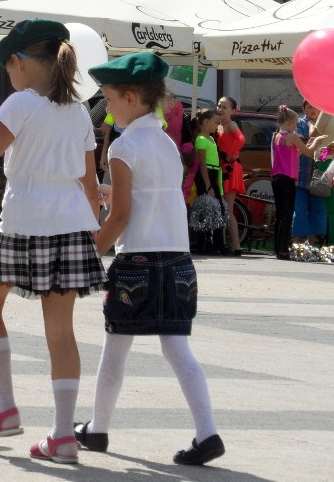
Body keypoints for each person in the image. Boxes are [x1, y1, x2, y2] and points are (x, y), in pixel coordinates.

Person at [0, 20, 105, 465]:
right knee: (61, 332)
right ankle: (62, 435)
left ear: (18, 63)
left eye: (8, 66)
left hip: (23, 222)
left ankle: (4, 408)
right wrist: (90, 234)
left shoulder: (19, 103)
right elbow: (90, 185)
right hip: (72, 225)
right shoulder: (78, 111)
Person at [78, 51, 225, 466]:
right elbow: (150, 197)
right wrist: (111, 194)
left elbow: (122, 215)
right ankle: (207, 431)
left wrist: (93, 251)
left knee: (114, 349)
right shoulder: (163, 142)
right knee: (179, 350)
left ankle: (98, 428)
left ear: (129, 97)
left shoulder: (123, 148)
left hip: (137, 263)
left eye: (108, 98)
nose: (105, 107)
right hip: (178, 261)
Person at [271, 105, 323, 260]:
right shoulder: (292, 136)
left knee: (281, 214)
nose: (296, 126)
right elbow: (308, 152)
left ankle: (278, 247)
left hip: (276, 178)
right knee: (287, 214)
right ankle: (283, 250)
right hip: (287, 178)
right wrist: (317, 141)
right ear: (289, 123)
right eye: (294, 123)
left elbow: (296, 152)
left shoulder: (276, 136)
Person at [293, 100, 327, 245]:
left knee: (317, 210)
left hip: (317, 176)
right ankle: (296, 243)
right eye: (309, 107)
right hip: (301, 174)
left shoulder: (323, 126)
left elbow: (324, 150)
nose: (313, 110)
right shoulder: (300, 124)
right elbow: (301, 146)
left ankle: (311, 244)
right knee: (299, 210)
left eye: (316, 107)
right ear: (303, 108)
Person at [192, 108, 224, 254]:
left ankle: (216, 243)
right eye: (215, 122)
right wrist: (208, 184)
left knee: (218, 209)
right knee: (205, 209)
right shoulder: (201, 139)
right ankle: (203, 243)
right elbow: (202, 164)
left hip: (214, 173)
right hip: (206, 175)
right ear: (206, 122)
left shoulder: (211, 138)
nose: (217, 126)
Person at [216, 96, 245, 255]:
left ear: (233, 111)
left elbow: (241, 139)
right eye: (219, 105)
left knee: (227, 208)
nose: (220, 109)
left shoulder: (231, 124)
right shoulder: (220, 124)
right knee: (223, 208)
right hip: (222, 166)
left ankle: (236, 246)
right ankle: (222, 243)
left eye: (224, 107)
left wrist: (231, 155)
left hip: (230, 168)